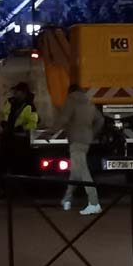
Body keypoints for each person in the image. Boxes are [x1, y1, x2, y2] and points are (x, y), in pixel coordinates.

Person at [50, 83, 105, 215]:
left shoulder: (71, 101)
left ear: (70, 92)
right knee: (76, 171)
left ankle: (94, 202)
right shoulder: (89, 102)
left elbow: (64, 118)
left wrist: (51, 131)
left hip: (75, 140)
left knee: (83, 171)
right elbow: (100, 120)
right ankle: (67, 199)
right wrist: (92, 132)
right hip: (86, 140)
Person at [0, 82, 38, 178]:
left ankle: (17, 183)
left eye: (17, 91)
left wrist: (22, 128)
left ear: (23, 93)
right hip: (7, 136)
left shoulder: (29, 106)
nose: (14, 93)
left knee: (18, 165)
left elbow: (33, 122)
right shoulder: (10, 102)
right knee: (4, 163)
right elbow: (3, 114)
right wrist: (3, 122)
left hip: (20, 139)